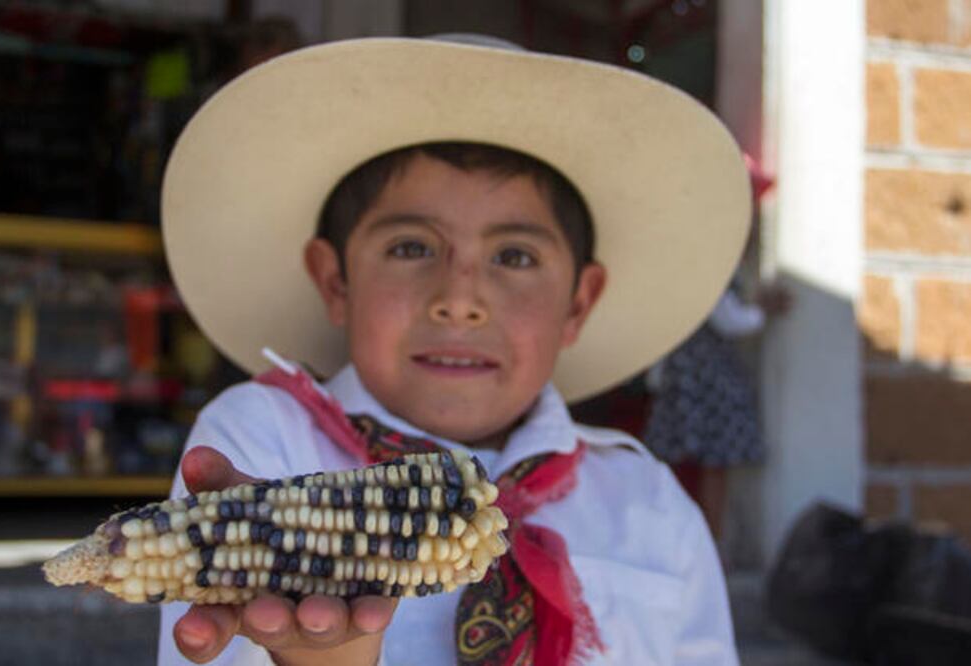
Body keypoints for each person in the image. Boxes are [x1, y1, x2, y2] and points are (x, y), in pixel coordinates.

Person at [155, 35, 752, 665]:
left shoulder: (650, 503)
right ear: (336, 282)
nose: (460, 299)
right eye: (411, 248)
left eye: (514, 257)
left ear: (579, 303)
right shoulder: (262, 443)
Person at [643, 281, 791, 543]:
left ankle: (691, 540)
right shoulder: (704, 274)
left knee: (689, 463)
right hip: (702, 379)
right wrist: (762, 310)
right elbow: (730, 320)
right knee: (712, 463)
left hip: (689, 378)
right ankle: (710, 542)